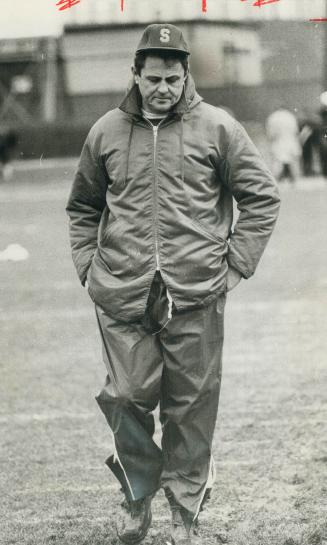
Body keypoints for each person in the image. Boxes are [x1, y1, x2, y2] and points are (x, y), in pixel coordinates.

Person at [66, 23, 280, 545]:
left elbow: (262, 198)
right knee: (123, 396)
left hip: (196, 293)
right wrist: (89, 267)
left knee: (191, 407)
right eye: (153, 77)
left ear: (187, 76)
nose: (163, 88)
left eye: (173, 78)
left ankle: (184, 517)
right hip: (122, 291)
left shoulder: (218, 128)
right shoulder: (106, 132)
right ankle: (138, 494)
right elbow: (83, 207)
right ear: (135, 75)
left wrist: (235, 264)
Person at [266, 107, 301, 182]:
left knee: (277, 161)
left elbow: (270, 133)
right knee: (293, 162)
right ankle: (295, 180)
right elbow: (295, 130)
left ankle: (275, 180)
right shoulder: (290, 116)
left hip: (278, 142)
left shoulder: (273, 117)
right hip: (291, 141)